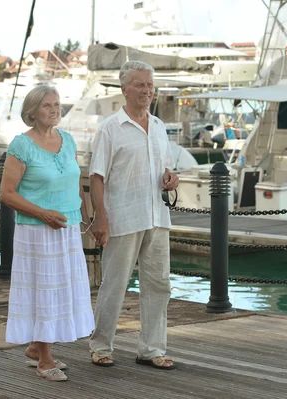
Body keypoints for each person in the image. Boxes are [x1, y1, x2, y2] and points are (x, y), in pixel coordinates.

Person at [88, 60, 179, 370]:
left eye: (149, 84)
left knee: (159, 285)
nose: (146, 89)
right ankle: (100, 346)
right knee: (115, 283)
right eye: (140, 84)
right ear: (124, 89)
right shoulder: (109, 129)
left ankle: (152, 349)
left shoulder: (159, 127)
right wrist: (100, 218)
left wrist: (171, 177)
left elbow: (166, 167)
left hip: (157, 216)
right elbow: (96, 177)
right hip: (123, 217)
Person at [1, 85, 95, 382]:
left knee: (62, 289)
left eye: (57, 104)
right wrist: (42, 214)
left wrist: (85, 214)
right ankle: (44, 358)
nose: (55, 110)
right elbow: (7, 193)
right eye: (47, 106)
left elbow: (74, 179)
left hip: (66, 229)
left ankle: (35, 347)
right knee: (43, 291)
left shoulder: (67, 140)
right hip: (36, 232)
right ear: (32, 113)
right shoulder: (21, 145)